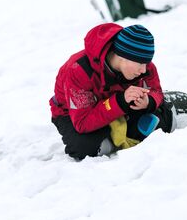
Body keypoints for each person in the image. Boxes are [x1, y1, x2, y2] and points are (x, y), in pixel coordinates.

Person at [50, 23, 176, 160]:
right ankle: (122, 134)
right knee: (83, 148)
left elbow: (155, 90)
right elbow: (83, 122)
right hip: (76, 113)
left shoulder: (142, 63)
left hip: (122, 104)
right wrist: (120, 101)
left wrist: (149, 101)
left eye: (146, 63)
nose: (144, 70)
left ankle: (125, 130)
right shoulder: (78, 69)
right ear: (122, 56)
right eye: (140, 64)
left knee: (165, 123)